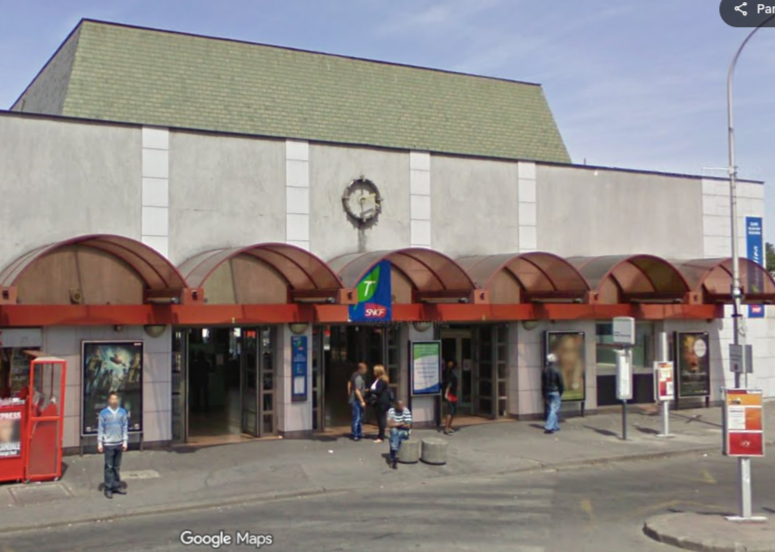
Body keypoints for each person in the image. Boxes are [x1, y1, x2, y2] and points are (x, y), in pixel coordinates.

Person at [97, 391, 128, 499]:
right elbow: (101, 428)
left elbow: (125, 427)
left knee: (116, 467)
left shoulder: (122, 412)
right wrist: (100, 443)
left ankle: (116, 486)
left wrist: (125, 441)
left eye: (116, 399)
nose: (114, 401)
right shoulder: (103, 413)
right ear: (109, 400)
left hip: (119, 442)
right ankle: (108, 488)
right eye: (112, 399)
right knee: (109, 467)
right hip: (109, 443)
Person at [367, 365, 391, 443]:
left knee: (381, 419)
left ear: (378, 372)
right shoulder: (377, 380)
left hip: (382, 402)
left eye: (374, 371)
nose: (373, 372)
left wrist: (369, 390)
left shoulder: (382, 381)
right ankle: (380, 435)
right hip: (378, 402)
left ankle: (381, 437)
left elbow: (378, 391)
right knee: (379, 418)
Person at [541, 353, 565, 434]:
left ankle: (555, 426)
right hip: (555, 391)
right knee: (554, 409)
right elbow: (561, 383)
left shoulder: (544, 370)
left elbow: (543, 383)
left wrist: (543, 394)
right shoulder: (557, 370)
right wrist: (561, 392)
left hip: (547, 391)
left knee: (551, 408)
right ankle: (549, 427)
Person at [387, 399, 412, 470]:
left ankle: (393, 456)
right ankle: (395, 455)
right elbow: (389, 425)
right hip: (395, 430)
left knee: (394, 437)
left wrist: (395, 424)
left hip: (405, 431)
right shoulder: (391, 411)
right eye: (400, 406)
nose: (402, 407)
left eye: (403, 405)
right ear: (396, 406)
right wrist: (401, 423)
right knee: (394, 432)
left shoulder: (406, 411)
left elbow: (408, 426)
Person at [347, 362, 368, 441]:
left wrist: (349, 393)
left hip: (354, 399)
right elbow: (357, 390)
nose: (366, 370)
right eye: (365, 369)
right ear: (361, 369)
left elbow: (349, 384)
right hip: (356, 400)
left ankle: (359, 433)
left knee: (359, 417)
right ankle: (355, 434)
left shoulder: (354, 375)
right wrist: (362, 401)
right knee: (357, 417)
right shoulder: (358, 377)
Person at [442, 360, 459, 435]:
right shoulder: (451, 374)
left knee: (454, 411)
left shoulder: (454, 373)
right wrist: (446, 394)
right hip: (450, 395)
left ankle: (449, 427)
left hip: (454, 394)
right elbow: (449, 385)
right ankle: (446, 428)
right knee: (450, 411)